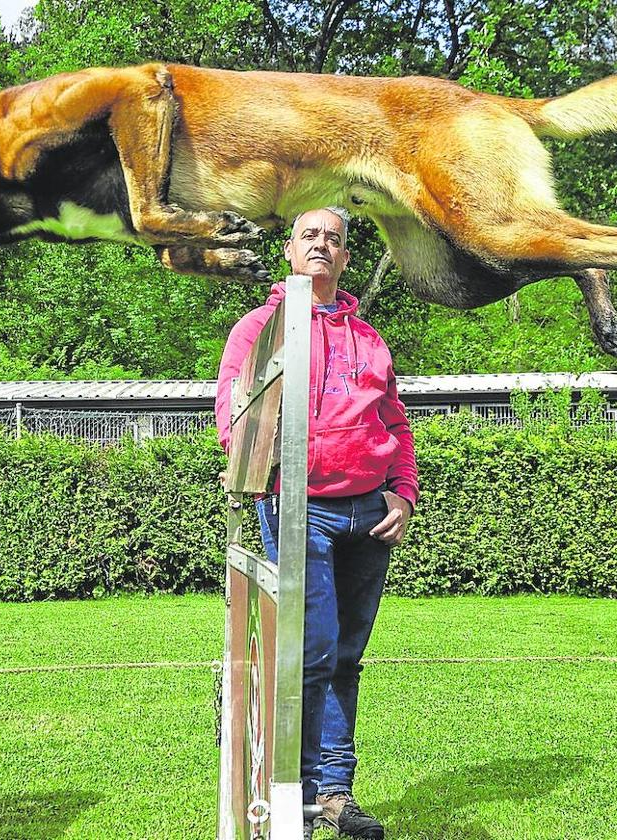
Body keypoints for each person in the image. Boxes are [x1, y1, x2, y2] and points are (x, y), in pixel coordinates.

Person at [216, 207, 418, 839]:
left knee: (347, 654)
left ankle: (335, 792)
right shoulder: (259, 330)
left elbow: (396, 423)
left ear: (347, 258)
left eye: (334, 239)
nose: (323, 246)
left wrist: (403, 495)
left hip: (370, 513)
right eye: (311, 236)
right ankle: (288, 788)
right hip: (300, 506)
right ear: (289, 251)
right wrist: (269, 482)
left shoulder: (371, 338)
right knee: (314, 647)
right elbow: (232, 414)